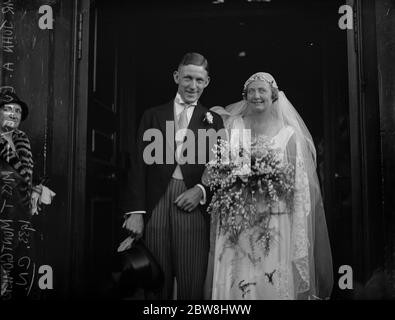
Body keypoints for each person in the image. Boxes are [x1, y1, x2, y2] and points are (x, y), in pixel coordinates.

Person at [205, 72, 333, 300]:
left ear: (273, 96)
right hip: (238, 216)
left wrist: (270, 185)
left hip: (274, 218)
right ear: (245, 96)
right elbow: (221, 166)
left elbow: (299, 183)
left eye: (262, 91)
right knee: (238, 272)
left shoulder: (289, 135)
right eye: (251, 91)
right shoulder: (234, 126)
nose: (256, 96)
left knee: (269, 274)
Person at [122, 53, 224, 299]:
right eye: (187, 78)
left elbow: (221, 166)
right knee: (156, 281)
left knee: (191, 282)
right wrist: (136, 212)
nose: (192, 85)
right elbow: (138, 165)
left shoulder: (214, 120)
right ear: (176, 77)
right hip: (155, 203)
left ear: (207, 82)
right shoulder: (152, 115)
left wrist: (201, 190)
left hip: (191, 204)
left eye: (199, 80)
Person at [0, 91, 34, 300]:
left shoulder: (22, 140)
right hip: (1, 222)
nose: (13, 114)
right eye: (8, 109)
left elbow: (27, 174)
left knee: (19, 278)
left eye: (18, 110)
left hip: (20, 221)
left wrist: (38, 187)